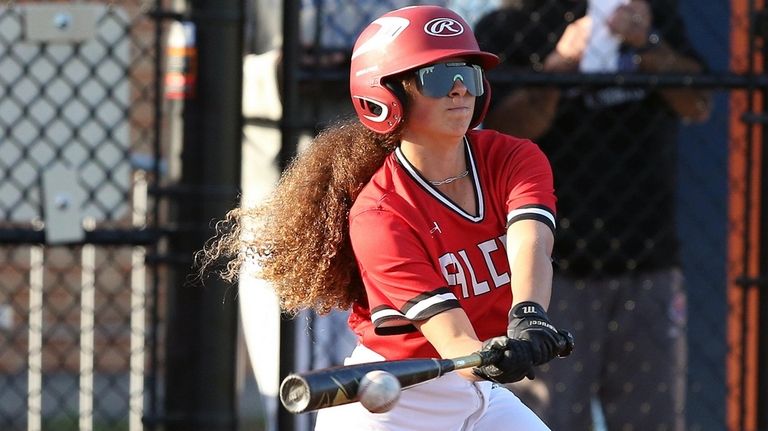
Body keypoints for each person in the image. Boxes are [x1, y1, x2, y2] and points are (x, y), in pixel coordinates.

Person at [202, 5, 573, 430]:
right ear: (386, 96)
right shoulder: (380, 215)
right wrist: (493, 358)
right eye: (436, 77)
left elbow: (531, 240)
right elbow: (455, 342)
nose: (459, 90)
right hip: (393, 407)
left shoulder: (511, 156)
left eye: (467, 74)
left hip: (478, 399)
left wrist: (528, 314)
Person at [474, 0, 712, 430]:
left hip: (647, 257)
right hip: (547, 270)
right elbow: (499, 134)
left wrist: (647, 43)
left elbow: (698, 103)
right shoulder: (511, 24)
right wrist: (557, 68)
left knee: (653, 419)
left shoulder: (650, 12)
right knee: (542, 418)